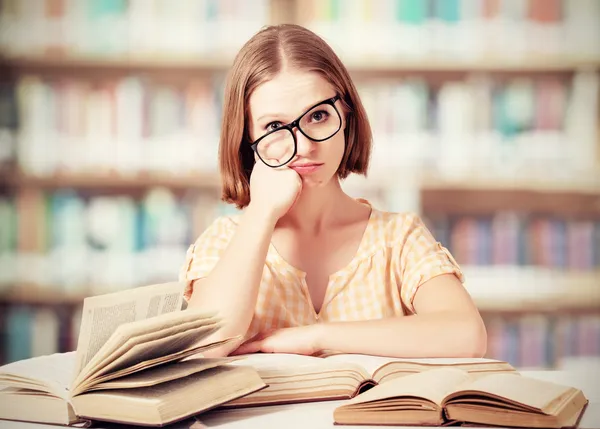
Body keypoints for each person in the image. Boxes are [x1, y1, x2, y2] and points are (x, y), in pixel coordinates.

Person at [179, 24, 487, 359]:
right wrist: (262, 211)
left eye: (318, 116)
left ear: (347, 113)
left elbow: (466, 336)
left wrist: (317, 338)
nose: (305, 146)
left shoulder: (398, 238)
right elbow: (203, 347)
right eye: (274, 127)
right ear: (246, 138)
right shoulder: (225, 241)